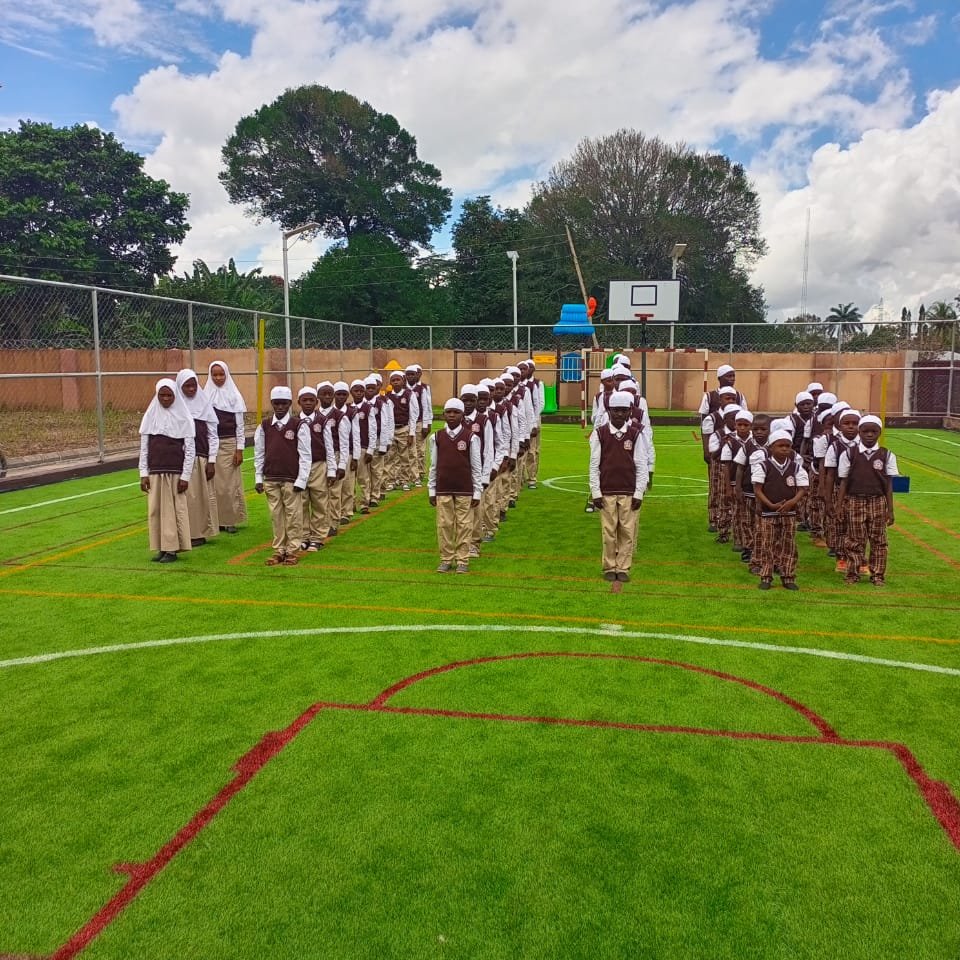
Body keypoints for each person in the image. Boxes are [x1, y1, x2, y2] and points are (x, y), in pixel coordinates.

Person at [588, 390, 650, 583]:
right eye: (616, 411)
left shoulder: (635, 434)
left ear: (630, 411)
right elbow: (594, 464)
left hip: (629, 491)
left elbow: (641, 463)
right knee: (608, 532)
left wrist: (639, 492)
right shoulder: (600, 434)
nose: (619, 415)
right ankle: (609, 566)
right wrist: (595, 492)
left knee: (627, 531)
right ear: (609, 410)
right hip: (606, 491)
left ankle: (623, 567)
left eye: (623, 411)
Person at [836, 415, 898, 587]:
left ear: (879, 432)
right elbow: (844, 481)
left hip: (878, 501)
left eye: (874, 431)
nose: (869, 435)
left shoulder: (886, 455)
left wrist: (890, 509)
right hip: (855, 500)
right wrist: (840, 505)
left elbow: (888, 484)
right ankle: (852, 573)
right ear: (859, 432)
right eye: (865, 431)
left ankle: (877, 574)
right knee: (855, 539)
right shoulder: (849, 453)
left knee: (879, 540)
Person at [138, 378, 196, 563]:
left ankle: (172, 549)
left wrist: (185, 476)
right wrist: (143, 474)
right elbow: (144, 448)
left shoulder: (184, 417)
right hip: (155, 472)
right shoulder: (150, 416)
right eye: (161, 395)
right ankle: (161, 547)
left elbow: (190, 450)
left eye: (169, 395)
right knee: (155, 511)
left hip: (175, 473)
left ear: (175, 395)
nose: (165, 398)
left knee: (174, 510)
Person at [253, 386, 312, 566]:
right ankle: (279, 549)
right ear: (272, 404)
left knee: (293, 515)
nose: (280, 407)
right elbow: (259, 453)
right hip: (271, 477)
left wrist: (302, 480)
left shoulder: (298, 425)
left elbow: (305, 455)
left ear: (289, 404)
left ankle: (293, 550)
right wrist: (258, 477)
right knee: (276, 515)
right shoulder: (264, 426)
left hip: (291, 478)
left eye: (283, 403)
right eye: (276, 403)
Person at [428, 398, 482, 574]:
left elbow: (476, 467)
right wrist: (431, 489)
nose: (452, 415)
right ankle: (446, 558)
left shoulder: (471, 437)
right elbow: (434, 465)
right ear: (443, 414)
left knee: (465, 525)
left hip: (464, 488)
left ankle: (462, 560)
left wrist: (477, 492)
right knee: (444, 525)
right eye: (448, 412)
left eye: (456, 412)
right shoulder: (436, 437)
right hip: (443, 488)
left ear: (462, 415)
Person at [751, 428, 808, 591]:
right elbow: (757, 489)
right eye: (780, 445)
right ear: (771, 447)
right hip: (769, 513)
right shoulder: (763, 466)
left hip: (789, 513)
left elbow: (803, 488)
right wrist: (770, 504)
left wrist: (792, 502)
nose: (784, 449)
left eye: (787, 446)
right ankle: (766, 576)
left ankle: (788, 576)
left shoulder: (795, 467)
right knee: (767, 545)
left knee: (788, 545)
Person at [175, 368, 219, 547]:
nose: (191, 389)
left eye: (194, 386)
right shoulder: (175, 407)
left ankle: (198, 533)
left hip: (200, 458)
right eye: (187, 386)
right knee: (182, 498)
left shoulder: (204, 405)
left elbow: (212, 436)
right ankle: (182, 533)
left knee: (198, 498)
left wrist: (211, 460)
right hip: (179, 460)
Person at [203, 360, 247, 533]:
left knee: (229, 485)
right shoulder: (205, 396)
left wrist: (239, 449)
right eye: (215, 374)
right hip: (210, 445)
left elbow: (240, 426)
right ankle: (217, 520)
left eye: (221, 374)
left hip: (229, 444)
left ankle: (230, 520)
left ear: (227, 374)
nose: (218, 378)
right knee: (213, 485)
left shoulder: (234, 396)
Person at [296, 386, 337, 552]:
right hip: (300, 467)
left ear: (316, 402)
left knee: (319, 501)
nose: (307, 403)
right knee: (302, 502)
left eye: (311, 400)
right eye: (304, 400)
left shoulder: (322, 421)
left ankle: (317, 537)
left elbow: (329, 446)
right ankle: (304, 535)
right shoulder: (294, 422)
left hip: (319, 465)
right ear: (298, 402)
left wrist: (332, 470)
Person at [406, 364, 433, 486]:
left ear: (419, 374)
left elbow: (427, 406)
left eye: (415, 373)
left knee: (420, 449)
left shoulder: (423, 388)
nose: (413, 376)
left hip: (419, 422)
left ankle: (421, 472)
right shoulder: (403, 388)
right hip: (408, 423)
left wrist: (427, 423)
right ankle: (409, 474)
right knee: (408, 451)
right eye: (410, 374)